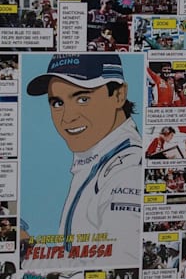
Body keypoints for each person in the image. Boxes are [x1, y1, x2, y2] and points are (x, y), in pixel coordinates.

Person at [26, 54, 143, 251]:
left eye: (82, 98)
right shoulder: (98, 156)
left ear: (118, 95)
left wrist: (27, 253)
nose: (67, 117)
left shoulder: (129, 169)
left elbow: (119, 263)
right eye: (57, 103)